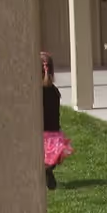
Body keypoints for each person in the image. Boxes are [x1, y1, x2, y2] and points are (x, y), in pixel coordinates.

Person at [42, 51, 69, 191]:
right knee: (48, 159)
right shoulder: (55, 91)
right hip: (54, 134)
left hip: (41, 134)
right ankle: (48, 170)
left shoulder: (38, 93)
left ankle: (45, 171)